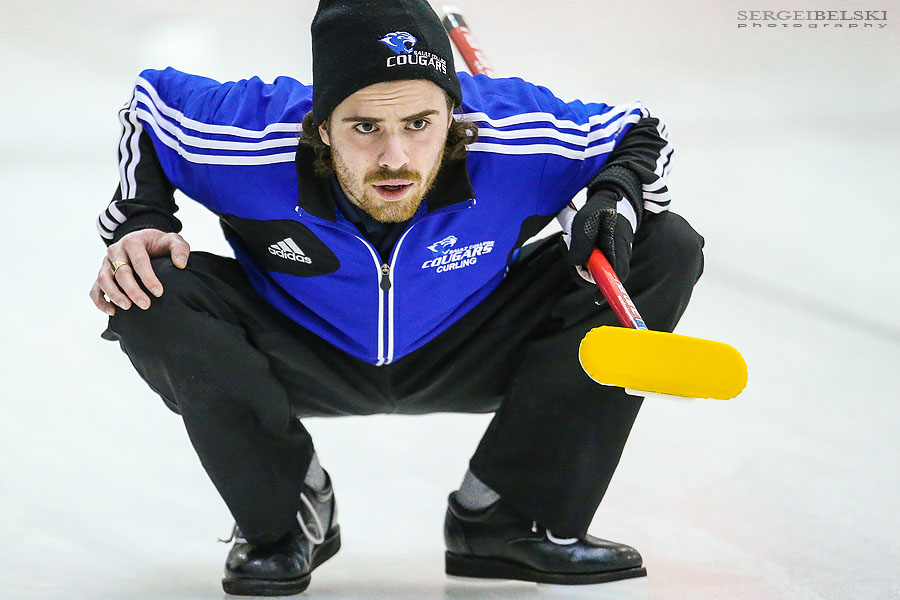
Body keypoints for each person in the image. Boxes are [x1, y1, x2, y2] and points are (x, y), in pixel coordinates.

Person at [89, 0, 704, 595]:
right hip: (296, 346)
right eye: (364, 127)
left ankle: (509, 517)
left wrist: (614, 195)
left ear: (454, 118)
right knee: (145, 282)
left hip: (472, 341)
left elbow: (639, 132)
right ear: (320, 125)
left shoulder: (520, 136)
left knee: (663, 244)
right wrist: (140, 220)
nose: (395, 157)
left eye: (419, 124)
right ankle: (284, 519)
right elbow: (151, 106)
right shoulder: (246, 134)